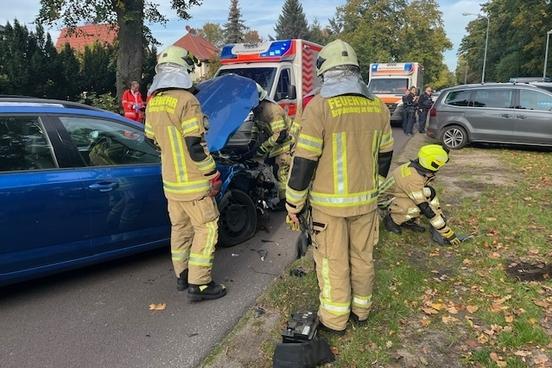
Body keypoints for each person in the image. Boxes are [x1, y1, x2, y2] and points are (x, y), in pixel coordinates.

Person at [285, 39, 394, 333]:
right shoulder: (378, 108)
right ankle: (361, 310)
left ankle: (334, 320)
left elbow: (304, 161)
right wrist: (375, 187)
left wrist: (293, 203)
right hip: (366, 204)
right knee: (362, 257)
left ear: (326, 73)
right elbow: (385, 155)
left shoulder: (319, 107)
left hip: (328, 207)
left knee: (333, 262)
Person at [145, 45, 226, 302]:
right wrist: (212, 174)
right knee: (207, 228)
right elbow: (195, 145)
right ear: (184, 70)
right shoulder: (188, 101)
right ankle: (200, 284)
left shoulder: (154, 102)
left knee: (180, 229)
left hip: (171, 182)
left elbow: (151, 140)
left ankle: (182, 275)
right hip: (193, 182)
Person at [381, 144, 461, 246]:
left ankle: (407, 221)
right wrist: (447, 232)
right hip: (384, 201)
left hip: (398, 193)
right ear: (434, 164)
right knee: (416, 207)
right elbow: (426, 209)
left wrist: (440, 216)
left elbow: (430, 198)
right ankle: (392, 220)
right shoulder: (413, 178)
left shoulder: (418, 168)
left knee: (429, 193)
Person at [249, 84, 292, 200]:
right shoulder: (258, 110)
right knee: (272, 170)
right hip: (276, 148)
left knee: (281, 173)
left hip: (285, 146)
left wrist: (263, 147)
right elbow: (257, 126)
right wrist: (252, 141)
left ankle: (285, 201)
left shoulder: (272, 111)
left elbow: (280, 135)